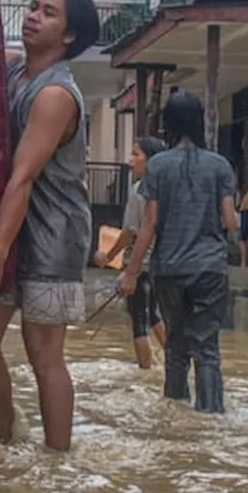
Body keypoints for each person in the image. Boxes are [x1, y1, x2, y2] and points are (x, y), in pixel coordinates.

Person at [0, 0, 100, 452]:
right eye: (32, 7)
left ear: (69, 36)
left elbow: (22, 177)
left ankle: (56, 462)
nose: (32, 17)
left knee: (44, 355)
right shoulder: (15, 72)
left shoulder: (55, 95)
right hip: (7, 222)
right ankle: (6, 436)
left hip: (53, 233)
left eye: (48, 13)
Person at [120, 92, 237, 414]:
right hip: (210, 268)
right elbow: (230, 220)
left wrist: (130, 272)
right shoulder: (220, 166)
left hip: (169, 268)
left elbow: (149, 224)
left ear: (167, 125)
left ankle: (174, 411)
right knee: (207, 348)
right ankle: (211, 416)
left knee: (175, 345)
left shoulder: (158, 166)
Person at [94, 136, 168, 369]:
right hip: (162, 264)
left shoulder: (140, 190)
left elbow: (129, 232)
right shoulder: (168, 188)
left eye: (136, 154)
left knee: (139, 319)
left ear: (150, 160)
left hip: (140, 264)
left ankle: (145, 372)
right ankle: (176, 362)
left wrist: (108, 256)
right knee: (155, 315)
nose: (130, 160)